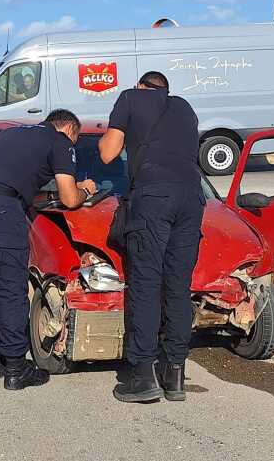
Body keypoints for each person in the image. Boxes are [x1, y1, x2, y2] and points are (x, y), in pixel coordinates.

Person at [0, 109, 98, 390]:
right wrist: (87, 190)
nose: (74, 145)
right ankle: (16, 368)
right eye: (76, 139)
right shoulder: (60, 141)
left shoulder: (14, 133)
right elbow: (71, 200)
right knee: (11, 286)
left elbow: (18, 179)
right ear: (69, 129)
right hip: (0, 209)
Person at [98, 71, 204, 403]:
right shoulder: (185, 107)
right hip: (192, 198)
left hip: (153, 199)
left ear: (141, 86)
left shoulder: (130, 97)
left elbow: (107, 153)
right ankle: (175, 375)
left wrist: (115, 134)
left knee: (145, 284)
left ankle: (142, 376)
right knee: (177, 287)